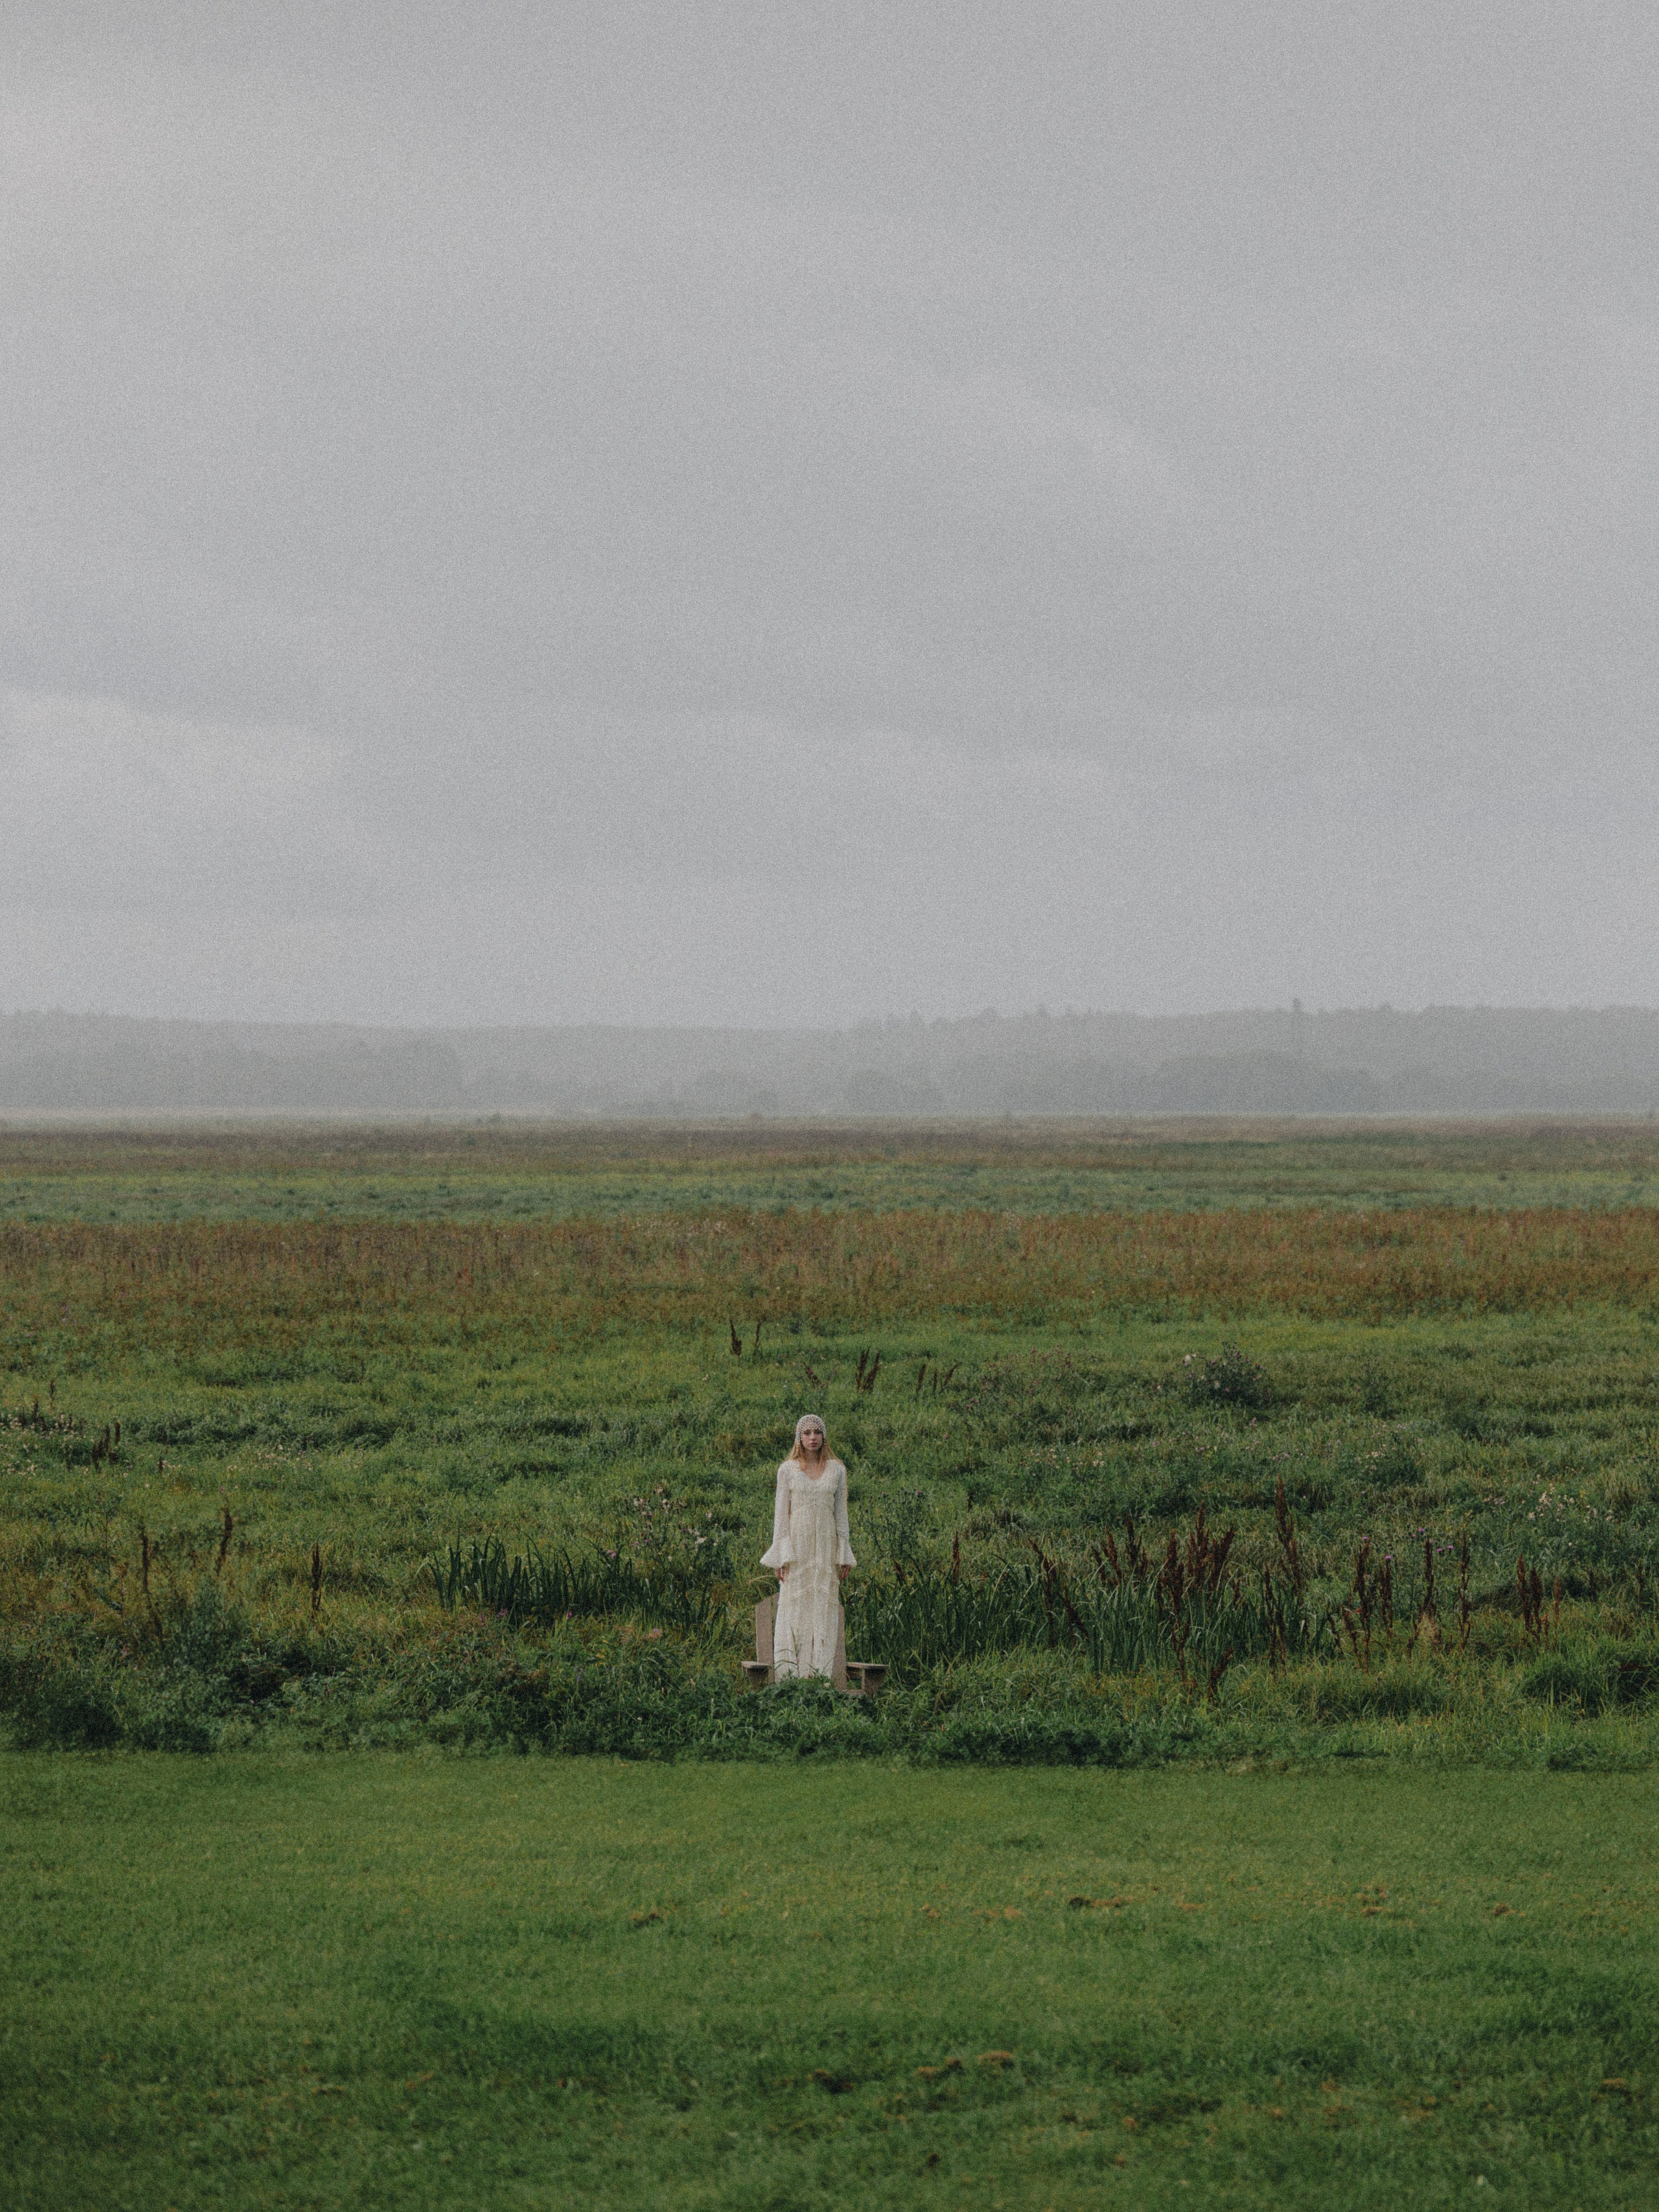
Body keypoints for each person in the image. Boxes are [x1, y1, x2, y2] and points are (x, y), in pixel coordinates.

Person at [760, 1414, 856, 1679]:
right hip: (798, 1548)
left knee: (824, 1606)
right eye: (807, 1433)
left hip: (826, 1547)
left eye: (817, 1432)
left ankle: (820, 1677)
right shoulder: (787, 1470)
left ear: (824, 1437)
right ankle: (790, 1677)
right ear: (799, 1438)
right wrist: (781, 1556)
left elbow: (841, 1514)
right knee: (794, 1606)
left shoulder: (837, 1470)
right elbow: (781, 1516)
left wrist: (843, 1555)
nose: (812, 1437)